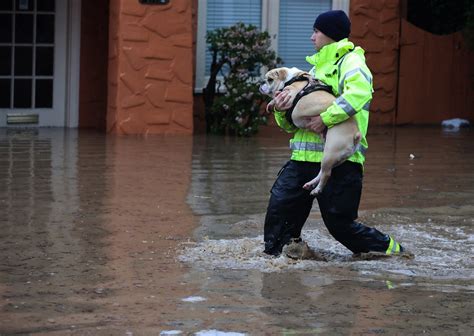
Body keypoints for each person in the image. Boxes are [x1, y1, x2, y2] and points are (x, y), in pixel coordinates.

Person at [263, 10, 405, 256]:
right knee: (279, 214)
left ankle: (395, 252)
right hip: (301, 161)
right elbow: (292, 124)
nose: (311, 37)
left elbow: (358, 94)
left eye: (316, 31)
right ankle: (284, 271)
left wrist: (325, 119)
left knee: (341, 226)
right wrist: (281, 109)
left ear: (330, 33)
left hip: (342, 162)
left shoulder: (352, 62)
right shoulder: (314, 70)